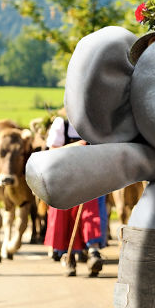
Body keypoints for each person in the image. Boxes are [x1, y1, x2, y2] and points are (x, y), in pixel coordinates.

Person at [43, 115, 105, 277]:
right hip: (64, 178)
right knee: (65, 218)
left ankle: (94, 251)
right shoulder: (62, 124)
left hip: (89, 176)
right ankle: (68, 256)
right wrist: (75, 146)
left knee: (90, 213)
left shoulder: (94, 122)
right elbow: (52, 151)